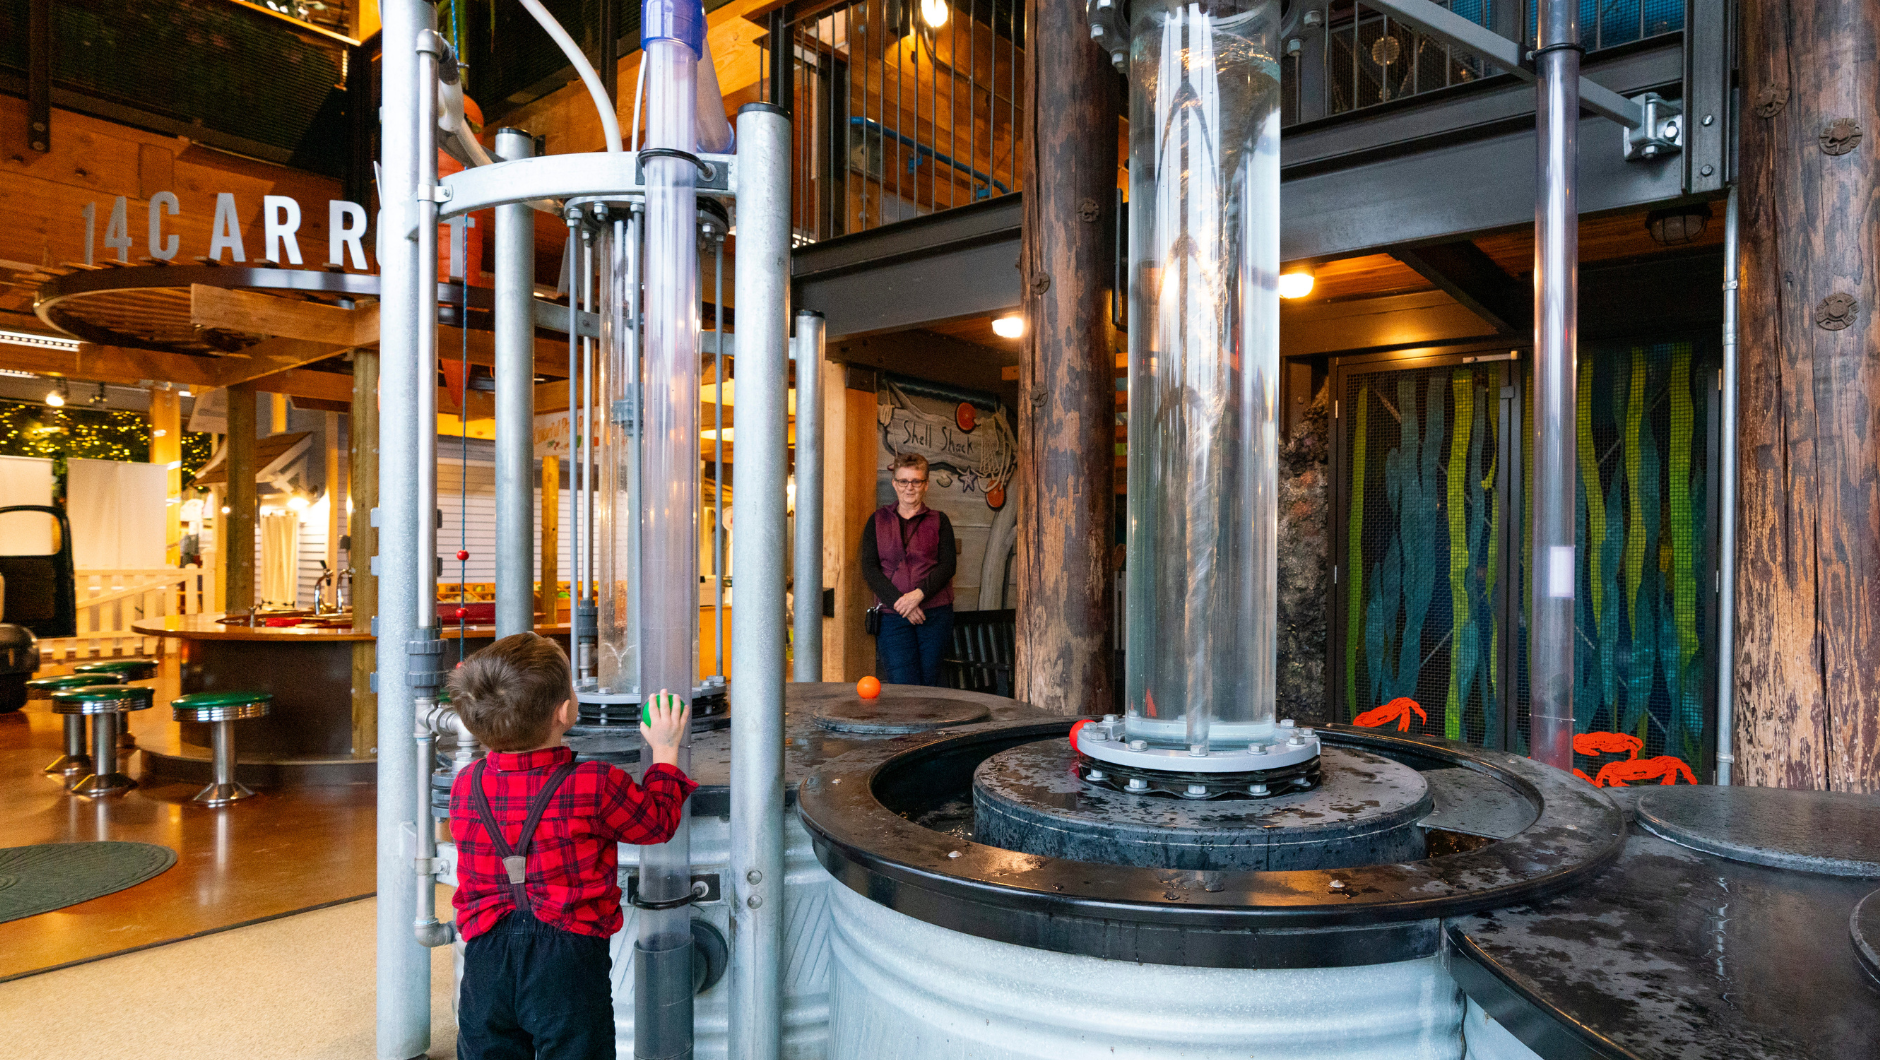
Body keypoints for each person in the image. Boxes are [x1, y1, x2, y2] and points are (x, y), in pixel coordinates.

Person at [446, 632, 696, 1060]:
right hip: (567, 959)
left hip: (486, 957)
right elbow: (656, 823)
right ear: (565, 712)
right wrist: (665, 750)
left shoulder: (466, 784)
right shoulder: (594, 783)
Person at [860, 452, 957, 685]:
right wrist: (901, 604)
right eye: (903, 481)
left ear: (926, 485)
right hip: (893, 618)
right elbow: (870, 568)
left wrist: (918, 595)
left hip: (933, 615)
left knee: (931, 683)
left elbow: (947, 565)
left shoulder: (939, 520)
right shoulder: (877, 520)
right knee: (902, 684)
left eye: (916, 481)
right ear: (894, 484)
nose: (909, 487)